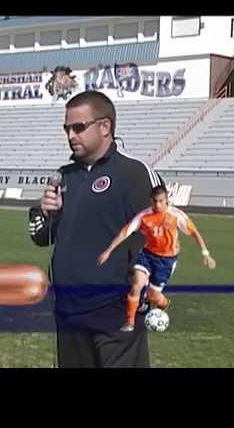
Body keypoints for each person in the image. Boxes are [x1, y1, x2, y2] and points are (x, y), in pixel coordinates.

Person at [28, 91, 165, 368]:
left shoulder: (134, 173)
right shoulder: (64, 176)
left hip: (114, 313)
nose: (70, 135)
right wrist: (45, 212)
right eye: (67, 128)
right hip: (68, 312)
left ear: (105, 127)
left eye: (79, 127)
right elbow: (40, 236)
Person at [97, 185, 216, 331]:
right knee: (136, 285)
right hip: (147, 255)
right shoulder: (144, 216)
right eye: (155, 201)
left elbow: (194, 233)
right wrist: (108, 251)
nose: (158, 205)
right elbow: (124, 233)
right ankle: (130, 322)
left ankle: (163, 304)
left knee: (154, 296)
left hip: (166, 261)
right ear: (151, 201)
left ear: (167, 200)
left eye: (161, 201)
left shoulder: (176, 216)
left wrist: (205, 254)